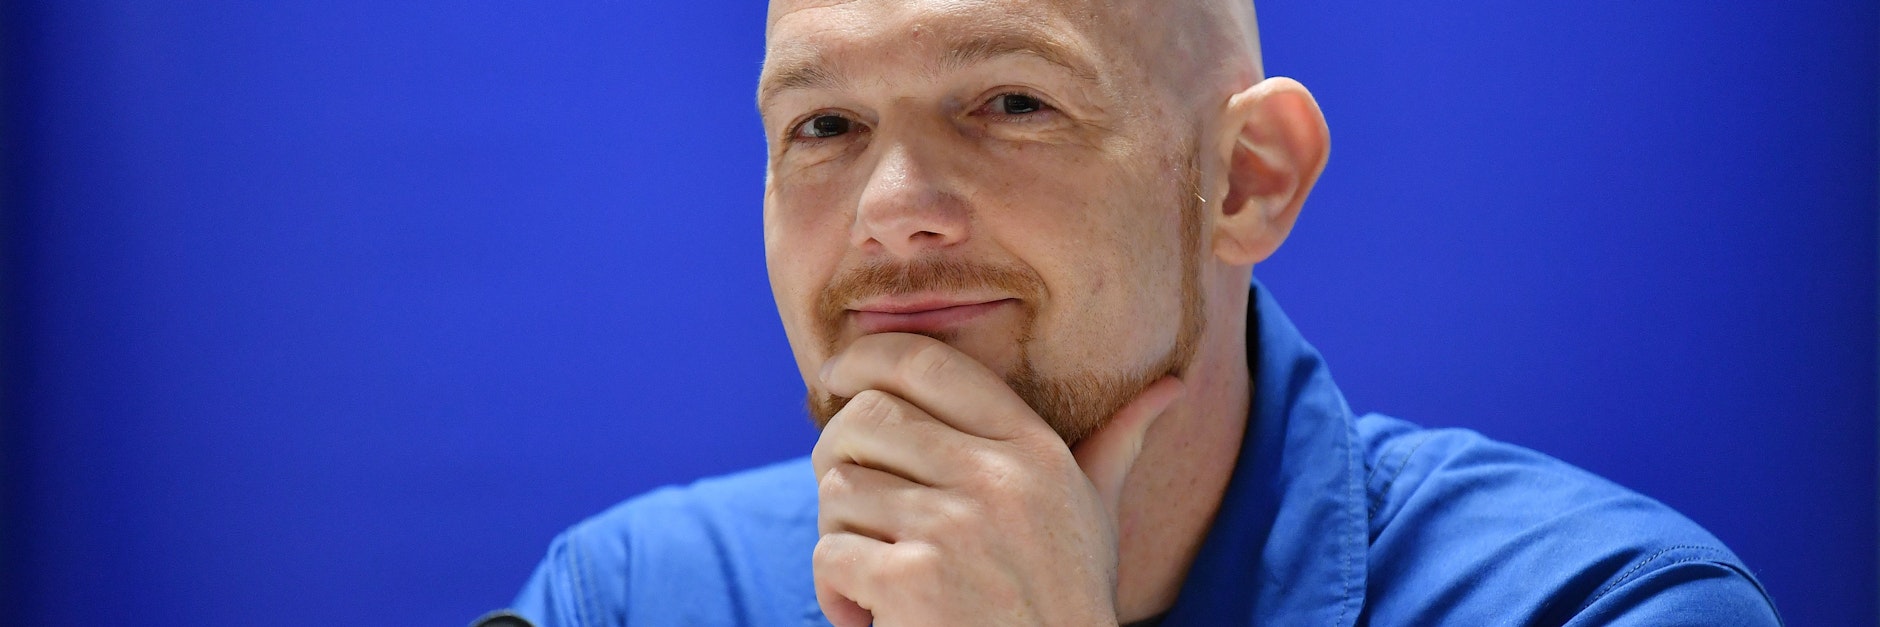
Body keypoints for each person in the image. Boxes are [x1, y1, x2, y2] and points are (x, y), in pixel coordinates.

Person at [479, 0, 1783, 625]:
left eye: (1010, 103)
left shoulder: (1609, 607)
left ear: (1249, 181)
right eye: (824, 125)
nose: (891, 210)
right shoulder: (631, 598)